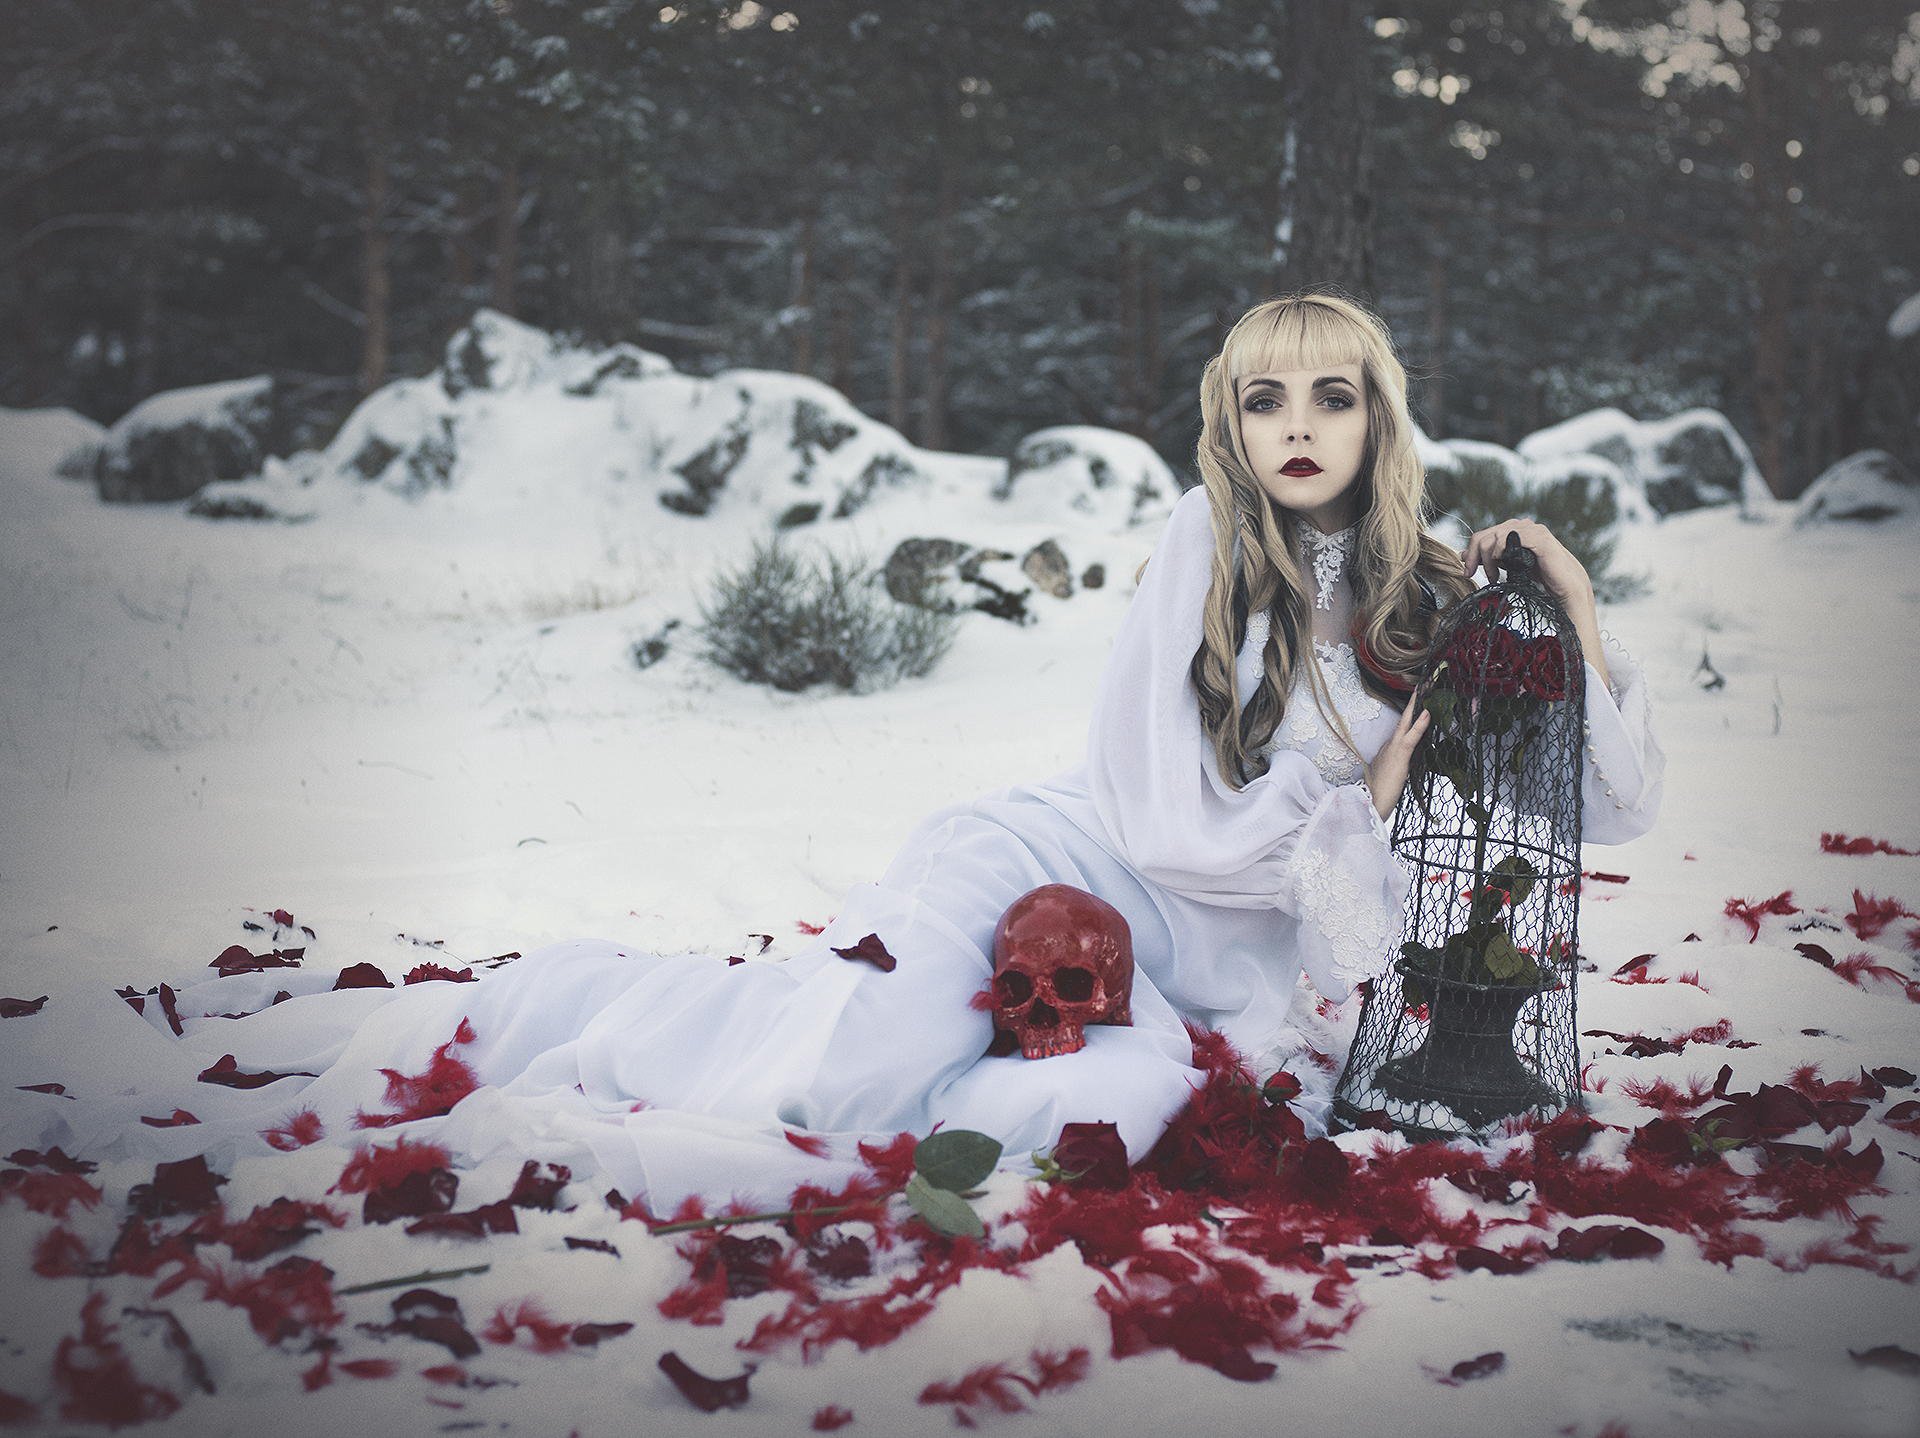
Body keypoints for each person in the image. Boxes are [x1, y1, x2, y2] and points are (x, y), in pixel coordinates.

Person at [0, 293, 1664, 1212]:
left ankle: (812, 1053)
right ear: (1229, 426)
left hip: (1228, 978)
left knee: (1068, 1117)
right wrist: (1371, 792)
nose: (1299, 428)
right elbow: (1170, 824)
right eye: (1264, 400)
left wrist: (1570, 604)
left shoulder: (1431, 603)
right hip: (1066, 860)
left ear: (1383, 415)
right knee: (846, 1077)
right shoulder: (1193, 551)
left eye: (1334, 398)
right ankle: (549, 1012)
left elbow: (1606, 806)